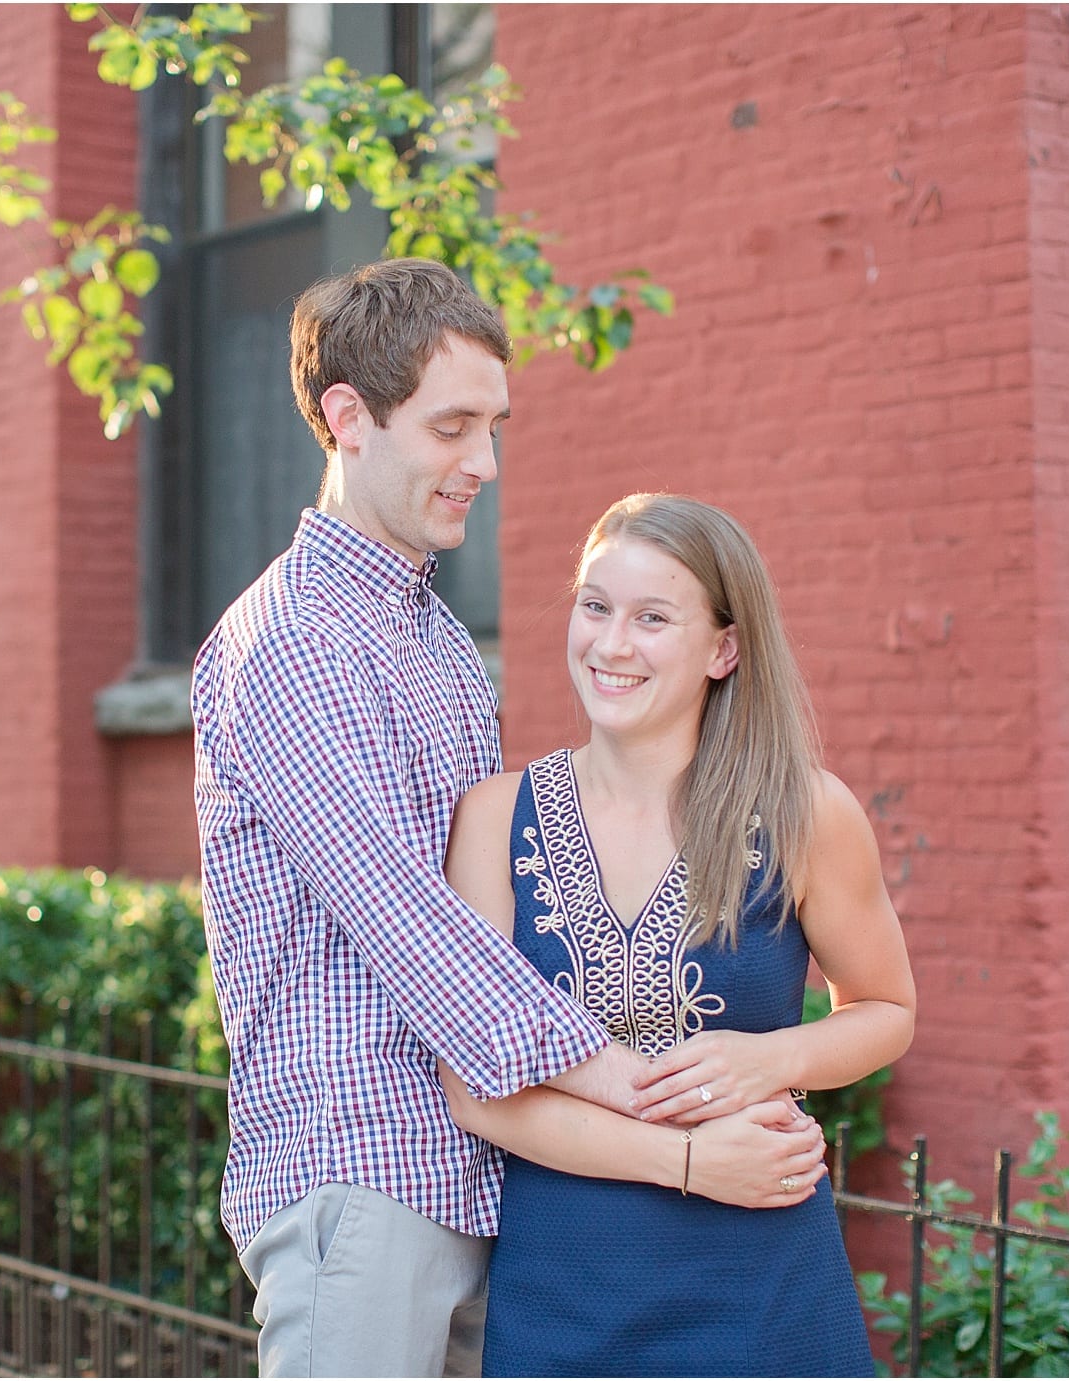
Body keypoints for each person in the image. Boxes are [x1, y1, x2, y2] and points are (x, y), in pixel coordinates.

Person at [192, 262, 827, 1378]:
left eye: (493, 427)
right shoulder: (290, 646)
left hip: (487, 1178)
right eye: (451, 427)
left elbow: (500, 923)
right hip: (363, 1175)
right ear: (348, 418)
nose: (482, 464)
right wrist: (665, 1107)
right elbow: (415, 932)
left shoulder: (435, 642)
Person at [440, 492, 918, 1377]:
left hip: (764, 1285)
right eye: (595, 606)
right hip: (563, 1293)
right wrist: (688, 1159)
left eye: (653, 617)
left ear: (723, 649)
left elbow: (887, 1009)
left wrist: (774, 1059)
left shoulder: (806, 811)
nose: (612, 644)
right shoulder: (493, 818)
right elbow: (477, 1090)